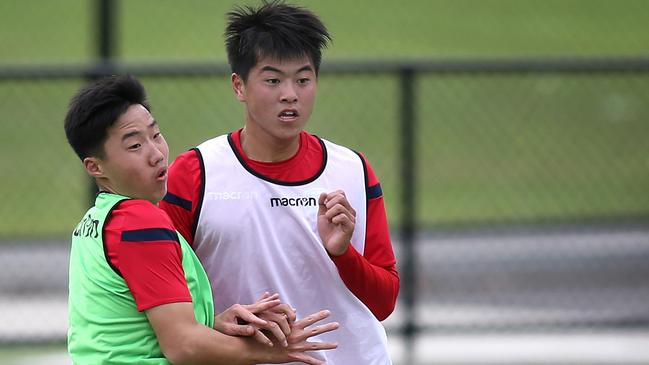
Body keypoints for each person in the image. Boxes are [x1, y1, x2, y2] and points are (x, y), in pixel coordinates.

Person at [160, 1, 400, 363]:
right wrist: (215, 322)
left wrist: (342, 253)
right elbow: (163, 299)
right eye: (273, 80)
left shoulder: (352, 169)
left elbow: (384, 303)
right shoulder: (196, 172)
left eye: (303, 80)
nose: (290, 94)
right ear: (239, 86)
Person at [64, 74, 339, 365]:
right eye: (135, 146)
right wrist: (269, 352)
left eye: (155, 135)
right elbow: (184, 347)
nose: (156, 154)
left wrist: (212, 322)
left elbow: (130, 330)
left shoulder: (97, 219)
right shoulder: (140, 222)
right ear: (95, 167)